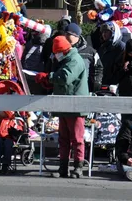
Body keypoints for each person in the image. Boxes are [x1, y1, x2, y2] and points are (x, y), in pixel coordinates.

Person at [38, 36, 88, 179]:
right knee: (64, 139)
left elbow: (65, 77)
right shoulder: (67, 59)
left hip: (76, 106)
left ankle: (78, 168)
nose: (55, 55)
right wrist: (50, 81)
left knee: (77, 139)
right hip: (65, 104)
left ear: (64, 50)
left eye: (57, 52)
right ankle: (63, 168)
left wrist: (49, 77)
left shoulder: (75, 60)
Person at [65, 23, 103, 93]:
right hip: (65, 90)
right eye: (65, 34)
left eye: (68, 35)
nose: (66, 37)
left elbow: (98, 68)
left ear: (76, 36)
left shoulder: (90, 52)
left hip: (83, 90)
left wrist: (96, 83)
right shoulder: (61, 50)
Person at [99, 21, 126, 85]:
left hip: (115, 83)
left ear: (113, 32)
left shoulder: (121, 47)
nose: (104, 34)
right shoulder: (103, 46)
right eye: (103, 32)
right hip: (103, 81)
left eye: (106, 32)